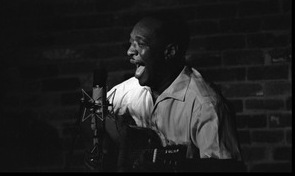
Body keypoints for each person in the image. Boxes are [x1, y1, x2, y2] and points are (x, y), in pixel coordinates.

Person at [103, 11, 245, 172]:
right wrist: (108, 145)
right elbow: (93, 114)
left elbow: (227, 168)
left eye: (140, 44)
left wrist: (171, 165)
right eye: (131, 43)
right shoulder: (129, 90)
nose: (130, 51)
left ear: (169, 52)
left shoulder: (205, 105)